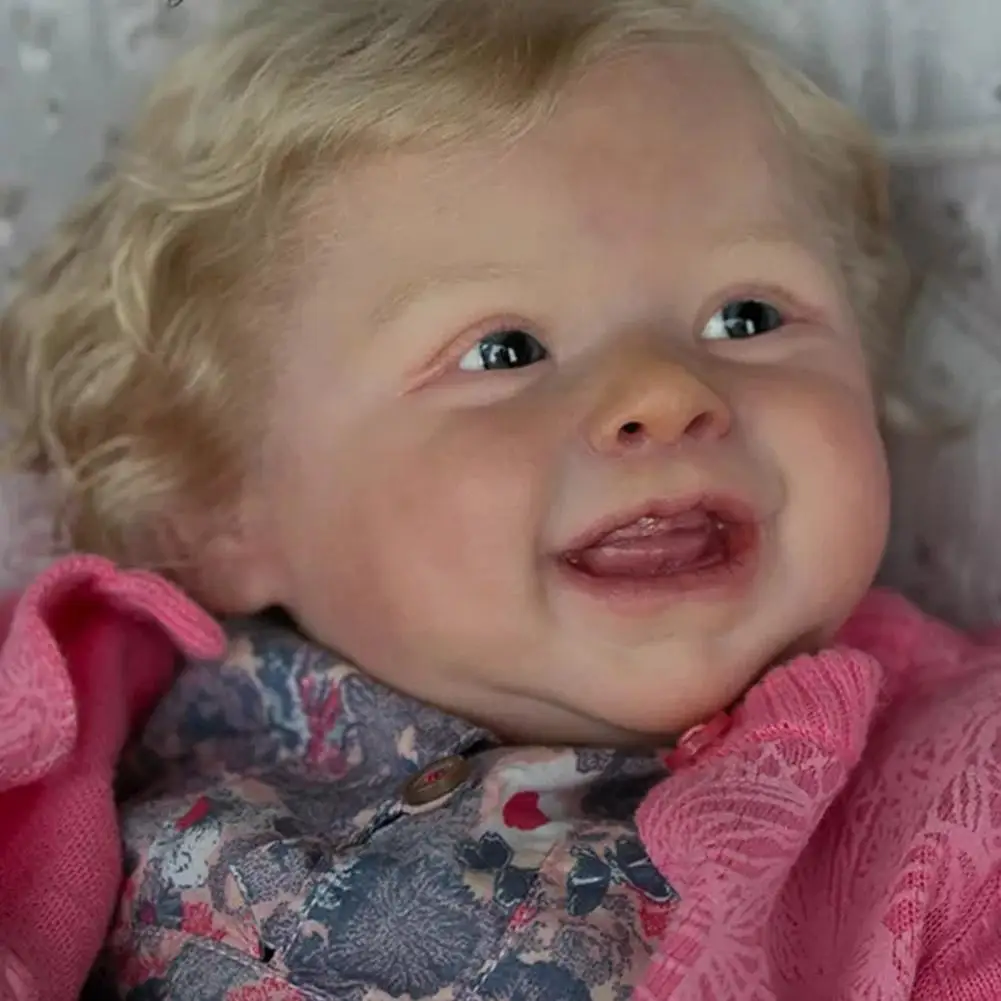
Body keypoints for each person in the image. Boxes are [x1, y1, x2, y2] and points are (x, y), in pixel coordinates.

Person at [1, 0, 1000, 998]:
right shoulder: (65, 741)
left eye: (745, 316)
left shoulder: (958, 800)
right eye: (503, 351)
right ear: (219, 500)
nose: (664, 394)